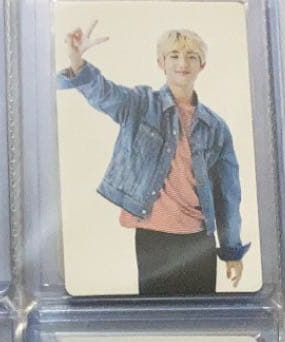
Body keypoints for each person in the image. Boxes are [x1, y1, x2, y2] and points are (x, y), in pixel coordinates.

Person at [56, 24, 250, 296]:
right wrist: (77, 62)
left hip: (198, 241)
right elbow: (105, 94)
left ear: (202, 65)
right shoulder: (140, 104)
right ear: (161, 62)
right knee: (157, 314)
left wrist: (231, 250)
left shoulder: (216, 127)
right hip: (153, 237)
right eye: (174, 56)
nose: (182, 63)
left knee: (200, 318)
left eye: (191, 56)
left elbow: (228, 194)